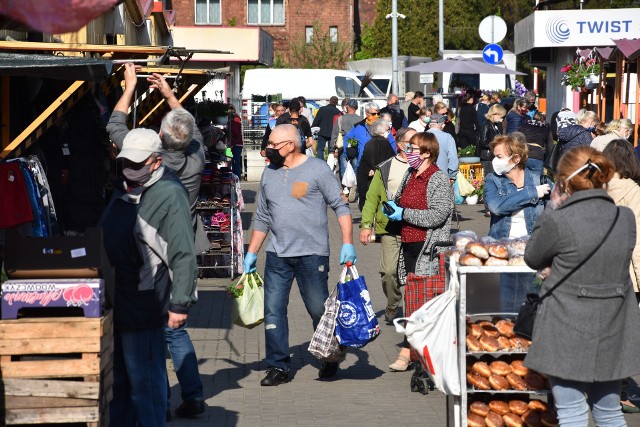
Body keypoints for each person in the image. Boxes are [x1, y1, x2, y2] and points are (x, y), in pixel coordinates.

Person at [106, 65, 206, 418]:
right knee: (174, 337)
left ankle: (159, 403)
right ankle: (190, 394)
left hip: (156, 276)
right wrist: (169, 96)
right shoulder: (194, 160)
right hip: (166, 267)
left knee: (151, 353)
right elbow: (190, 132)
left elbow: (115, 126)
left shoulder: (149, 164)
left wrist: (131, 86)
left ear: (158, 148)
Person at [523, 145, 640, 426]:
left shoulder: (557, 219)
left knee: (572, 411)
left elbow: (532, 257)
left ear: (565, 181)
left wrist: (552, 207)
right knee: (609, 411)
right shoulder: (624, 218)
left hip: (565, 326)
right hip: (613, 326)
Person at [243, 124, 357, 385]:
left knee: (319, 309)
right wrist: (251, 253)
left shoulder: (317, 169)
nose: (268, 149)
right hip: (277, 255)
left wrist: (347, 243)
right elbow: (261, 216)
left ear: (290, 145)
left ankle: (330, 356)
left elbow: (340, 206)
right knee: (273, 311)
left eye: (273, 144)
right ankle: (278, 366)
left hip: (312, 254)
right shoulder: (269, 173)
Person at [383, 132, 454, 372]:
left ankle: (410, 352)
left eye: (413, 149)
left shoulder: (438, 179)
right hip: (410, 244)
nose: (409, 152)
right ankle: (417, 352)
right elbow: (403, 201)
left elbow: (438, 215)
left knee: (420, 304)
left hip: (428, 248)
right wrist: (395, 208)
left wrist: (404, 214)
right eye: (408, 147)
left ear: (427, 153)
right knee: (415, 301)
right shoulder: (411, 174)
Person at [484, 134, 549, 312]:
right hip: (502, 253)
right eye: (494, 156)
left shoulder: (540, 180)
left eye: (499, 157)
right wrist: (531, 194)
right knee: (504, 308)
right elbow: (496, 207)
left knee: (531, 307)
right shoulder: (493, 180)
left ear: (516, 158)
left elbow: (554, 214)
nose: (494, 161)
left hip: (533, 253)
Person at [360, 127, 415, 325]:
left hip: (417, 227)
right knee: (389, 272)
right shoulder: (385, 167)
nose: (416, 144)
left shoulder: (424, 166)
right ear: (400, 144)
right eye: (411, 141)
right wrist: (366, 225)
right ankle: (393, 303)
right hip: (392, 227)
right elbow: (371, 198)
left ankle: (413, 310)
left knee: (415, 273)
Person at [602, 139, 640, 414]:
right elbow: (637, 241)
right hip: (624, 272)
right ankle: (621, 394)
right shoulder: (633, 192)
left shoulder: (594, 188)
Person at [356, 119, 396, 211]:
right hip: (381, 178)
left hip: (369, 178)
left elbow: (364, 161)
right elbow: (389, 161)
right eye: (387, 129)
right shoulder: (385, 143)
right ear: (380, 130)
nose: (389, 132)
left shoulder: (369, 143)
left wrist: (369, 170)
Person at [477, 103, 507, 216]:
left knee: (495, 180)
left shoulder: (494, 125)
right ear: (494, 114)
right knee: (489, 181)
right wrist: (496, 144)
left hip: (493, 156)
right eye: (501, 116)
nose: (502, 119)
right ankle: (488, 208)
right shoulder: (487, 125)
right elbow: (484, 142)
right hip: (487, 157)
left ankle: (493, 205)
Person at [331, 98, 362, 182]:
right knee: (355, 166)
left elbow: (334, 135)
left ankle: (345, 188)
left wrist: (332, 149)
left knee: (343, 167)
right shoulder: (361, 120)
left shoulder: (340, 119)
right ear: (356, 108)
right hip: (356, 146)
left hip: (343, 145)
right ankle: (355, 186)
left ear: (347, 107)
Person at [517, 111, 554, 175]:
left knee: (523, 178)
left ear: (533, 118)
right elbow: (550, 147)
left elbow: (517, 140)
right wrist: (547, 160)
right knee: (537, 180)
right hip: (537, 155)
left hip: (524, 154)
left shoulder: (523, 126)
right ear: (543, 119)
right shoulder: (546, 129)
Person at [427, 114, 459, 182]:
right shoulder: (447, 137)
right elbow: (453, 158)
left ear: (429, 125)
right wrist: (452, 176)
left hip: (425, 177)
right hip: (442, 177)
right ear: (443, 125)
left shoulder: (421, 137)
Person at [228, 104, 243, 179]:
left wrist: (227, 130)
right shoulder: (232, 118)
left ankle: (237, 179)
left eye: (231, 108)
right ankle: (235, 178)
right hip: (234, 144)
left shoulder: (235, 118)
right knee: (233, 162)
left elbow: (235, 131)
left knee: (235, 162)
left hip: (236, 144)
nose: (230, 110)